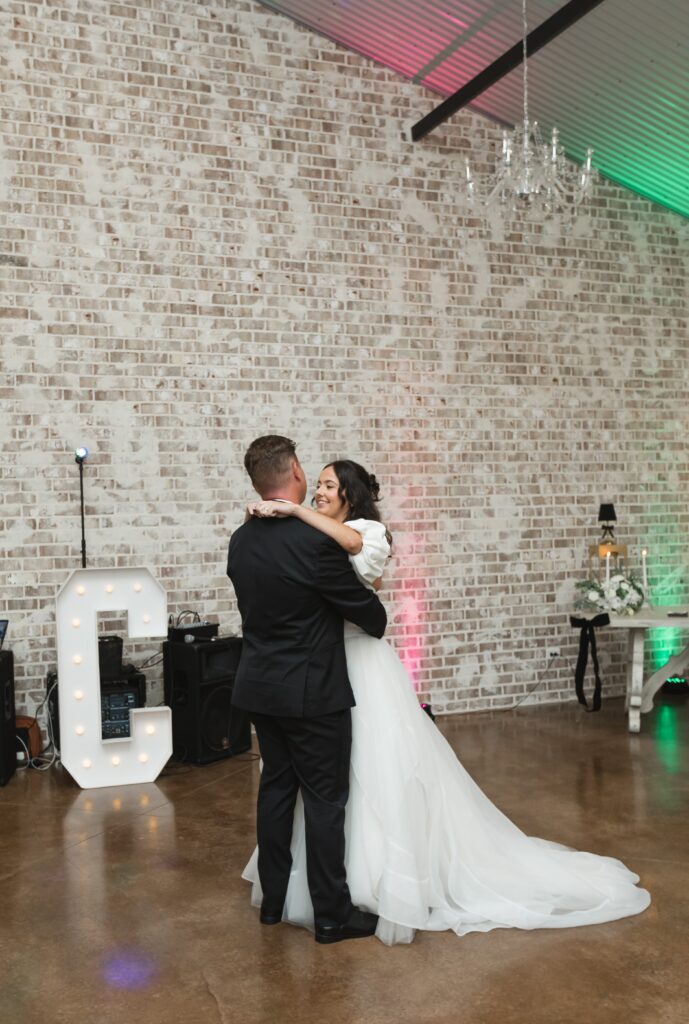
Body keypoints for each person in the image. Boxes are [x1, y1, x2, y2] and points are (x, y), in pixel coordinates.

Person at [243, 459, 651, 946]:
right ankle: (330, 899)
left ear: (350, 495)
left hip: (343, 669)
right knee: (330, 787)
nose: (320, 493)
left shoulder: (351, 533)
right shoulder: (309, 538)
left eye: (331, 486)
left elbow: (362, 584)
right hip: (321, 670)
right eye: (318, 486)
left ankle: (355, 884)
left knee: (360, 777)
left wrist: (289, 513)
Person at [227, 436, 388, 945]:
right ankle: (332, 916)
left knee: (276, 791)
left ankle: (272, 903)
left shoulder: (241, 539)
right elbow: (372, 619)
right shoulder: (317, 543)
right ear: (295, 470)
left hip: (259, 687)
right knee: (324, 802)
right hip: (312, 693)